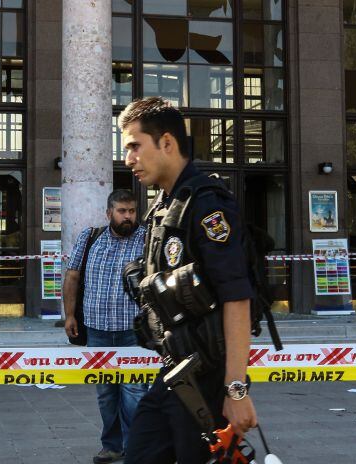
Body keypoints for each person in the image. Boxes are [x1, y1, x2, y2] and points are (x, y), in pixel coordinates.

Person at [120, 97, 257, 463]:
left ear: (167, 142)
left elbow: (236, 297)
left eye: (135, 146)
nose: (128, 159)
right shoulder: (166, 206)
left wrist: (236, 390)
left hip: (208, 378)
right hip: (175, 371)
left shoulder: (207, 206)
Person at [63, 189, 149, 464]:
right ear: (108, 212)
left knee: (134, 391)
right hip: (98, 330)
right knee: (106, 393)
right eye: (122, 211)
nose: (128, 217)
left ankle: (135, 447)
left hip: (134, 331)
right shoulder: (91, 238)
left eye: (132, 211)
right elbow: (73, 276)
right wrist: (69, 315)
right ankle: (111, 446)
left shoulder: (147, 239)